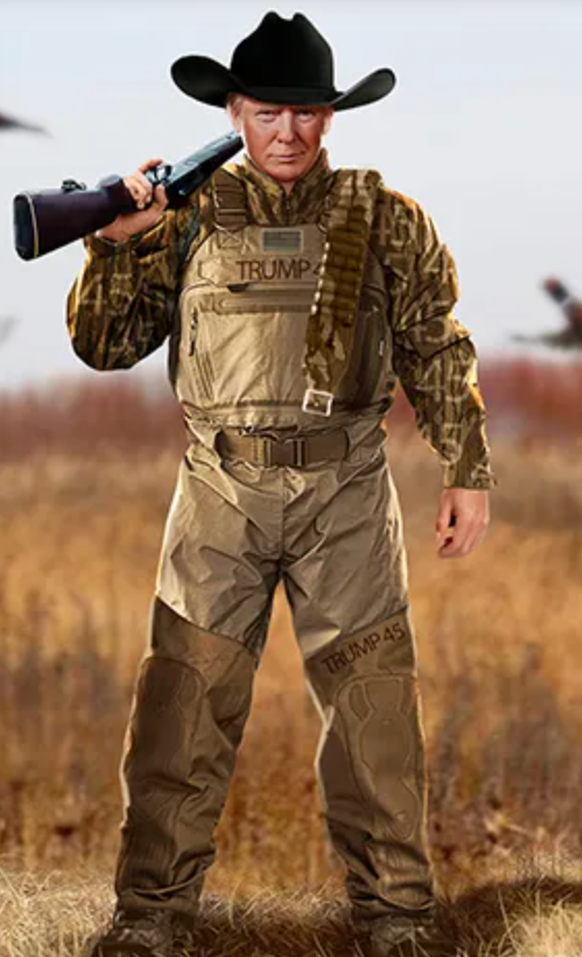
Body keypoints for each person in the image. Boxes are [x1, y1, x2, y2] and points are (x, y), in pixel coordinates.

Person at [67, 12, 496, 957]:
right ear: (233, 112)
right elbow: (103, 345)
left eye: (306, 113)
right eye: (268, 113)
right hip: (219, 493)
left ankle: (397, 918)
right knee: (182, 710)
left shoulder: (389, 217)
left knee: (375, 714)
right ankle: (149, 916)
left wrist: (467, 469)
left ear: (331, 117)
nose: (288, 132)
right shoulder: (181, 215)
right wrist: (119, 241)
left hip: (347, 491)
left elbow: (436, 345)